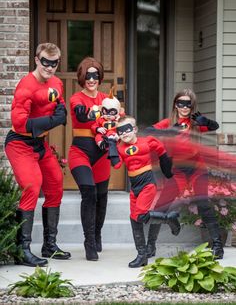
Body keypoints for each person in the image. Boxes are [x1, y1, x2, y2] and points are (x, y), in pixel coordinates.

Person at [4, 42, 71, 267]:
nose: (49, 67)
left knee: (56, 183)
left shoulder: (56, 82)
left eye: (54, 63)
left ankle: (49, 245)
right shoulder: (26, 86)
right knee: (32, 186)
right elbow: (19, 123)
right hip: (20, 143)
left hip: (40, 144)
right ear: (36, 59)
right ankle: (22, 250)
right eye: (45, 62)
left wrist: (61, 112)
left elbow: (60, 104)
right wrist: (54, 120)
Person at [150, 88, 224, 259]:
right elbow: (149, 131)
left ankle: (217, 245)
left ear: (192, 106)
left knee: (203, 204)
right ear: (175, 105)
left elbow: (215, 126)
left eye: (188, 104)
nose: (184, 107)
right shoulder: (168, 122)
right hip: (178, 171)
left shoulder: (196, 123)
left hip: (197, 168)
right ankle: (149, 246)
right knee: (161, 206)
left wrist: (205, 121)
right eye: (180, 103)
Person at [107, 115, 180, 268]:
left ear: (135, 129)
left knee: (141, 215)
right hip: (134, 187)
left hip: (147, 184)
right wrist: (112, 144)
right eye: (120, 131)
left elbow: (161, 150)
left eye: (127, 130)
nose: (124, 134)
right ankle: (142, 255)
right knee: (134, 219)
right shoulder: (120, 147)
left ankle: (169, 219)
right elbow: (117, 165)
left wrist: (167, 171)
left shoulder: (147, 141)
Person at [68, 57, 110, 261]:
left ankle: (98, 233)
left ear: (100, 77)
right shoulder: (77, 97)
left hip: (102, 154)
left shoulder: (107, 99)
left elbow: (118, 119)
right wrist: (85, 114)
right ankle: (89, 242)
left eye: (95, 75)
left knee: (102, 197)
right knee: (89, 193)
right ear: (82, 78)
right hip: (80, 152)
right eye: (88, 75)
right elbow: (81, 114)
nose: (91, 79)